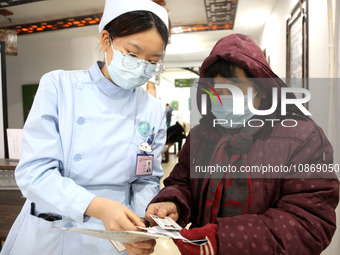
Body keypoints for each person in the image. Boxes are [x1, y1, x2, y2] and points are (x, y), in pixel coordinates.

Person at [146, 34, 339, 254]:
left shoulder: (302, 138)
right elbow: (182, 183)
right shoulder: (201, 135)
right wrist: (174, 203)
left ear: (263, 91)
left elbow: (310, 222)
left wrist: (223, 239)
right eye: (216, 91)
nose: (222, 99)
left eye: (234, 90)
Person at [1, 1, 169, 255]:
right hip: (55, 229)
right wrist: (97, 206)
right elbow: (34, 173)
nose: (142, 67)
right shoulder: (59, 86)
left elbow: (147, 179)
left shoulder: (153, 109)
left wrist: (138, 227)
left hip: (115, 234)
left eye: (152, 61)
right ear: (105, 40)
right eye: (133, 54)